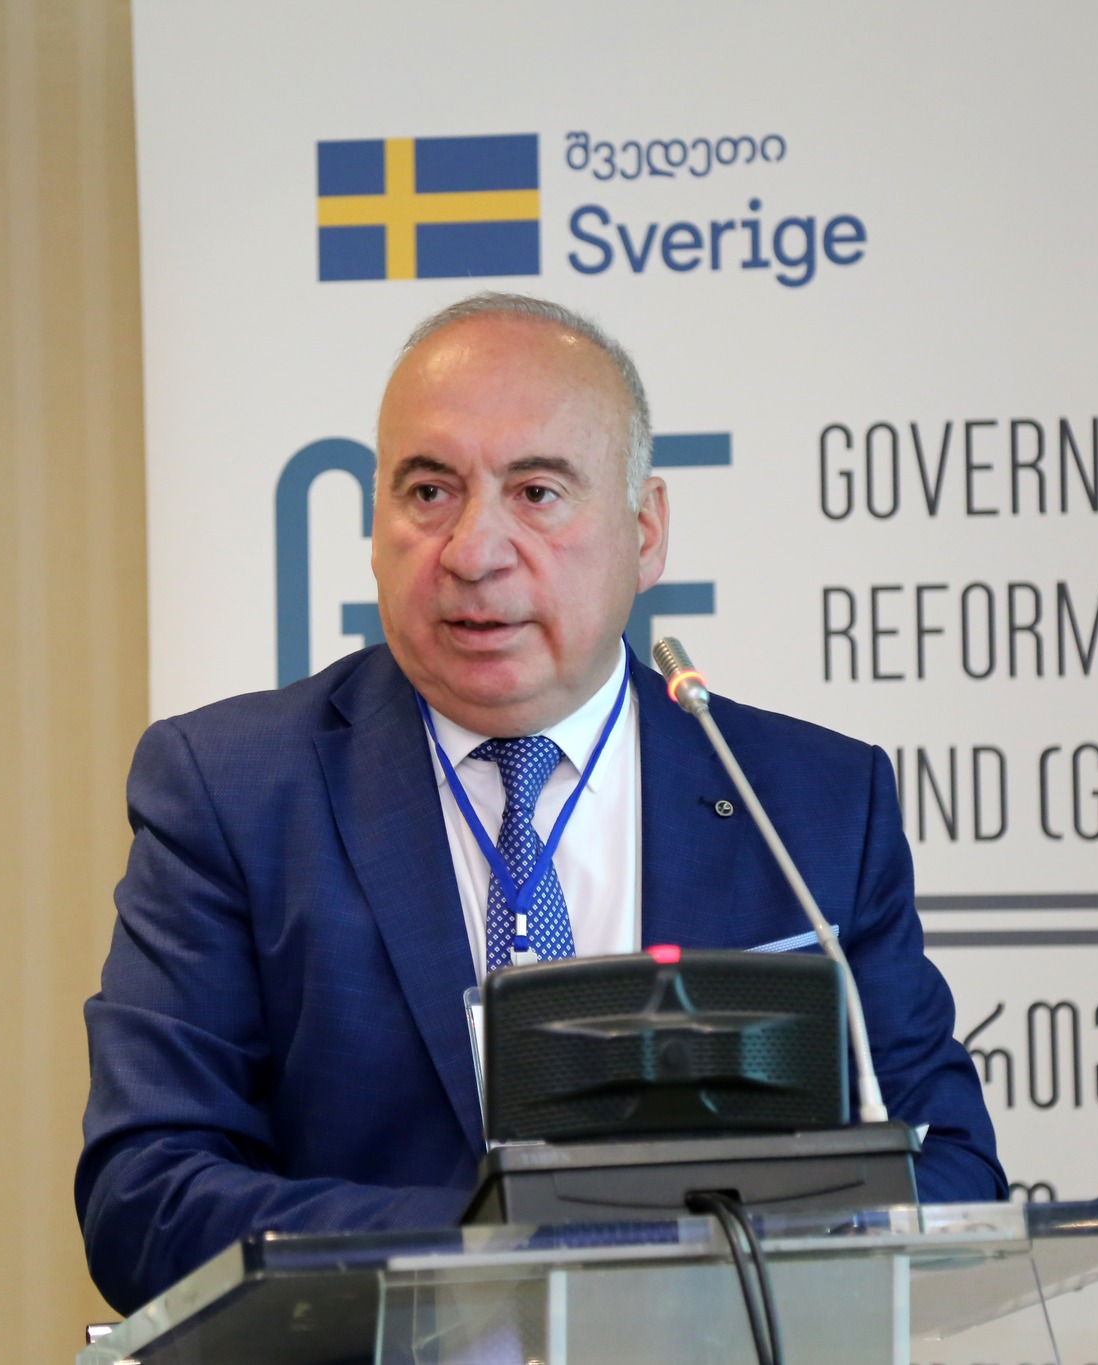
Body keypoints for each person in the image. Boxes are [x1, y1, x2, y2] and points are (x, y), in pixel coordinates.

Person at [77, 294, 1004, 1313]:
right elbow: (145, 1196)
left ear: (644, 530)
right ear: (376, 527)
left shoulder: (809, 802)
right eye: (429, 491)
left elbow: (951, 1172)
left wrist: (710, 1254)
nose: (474, 551)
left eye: (536, 492)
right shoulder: (234, 791)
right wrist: (506, 1249)